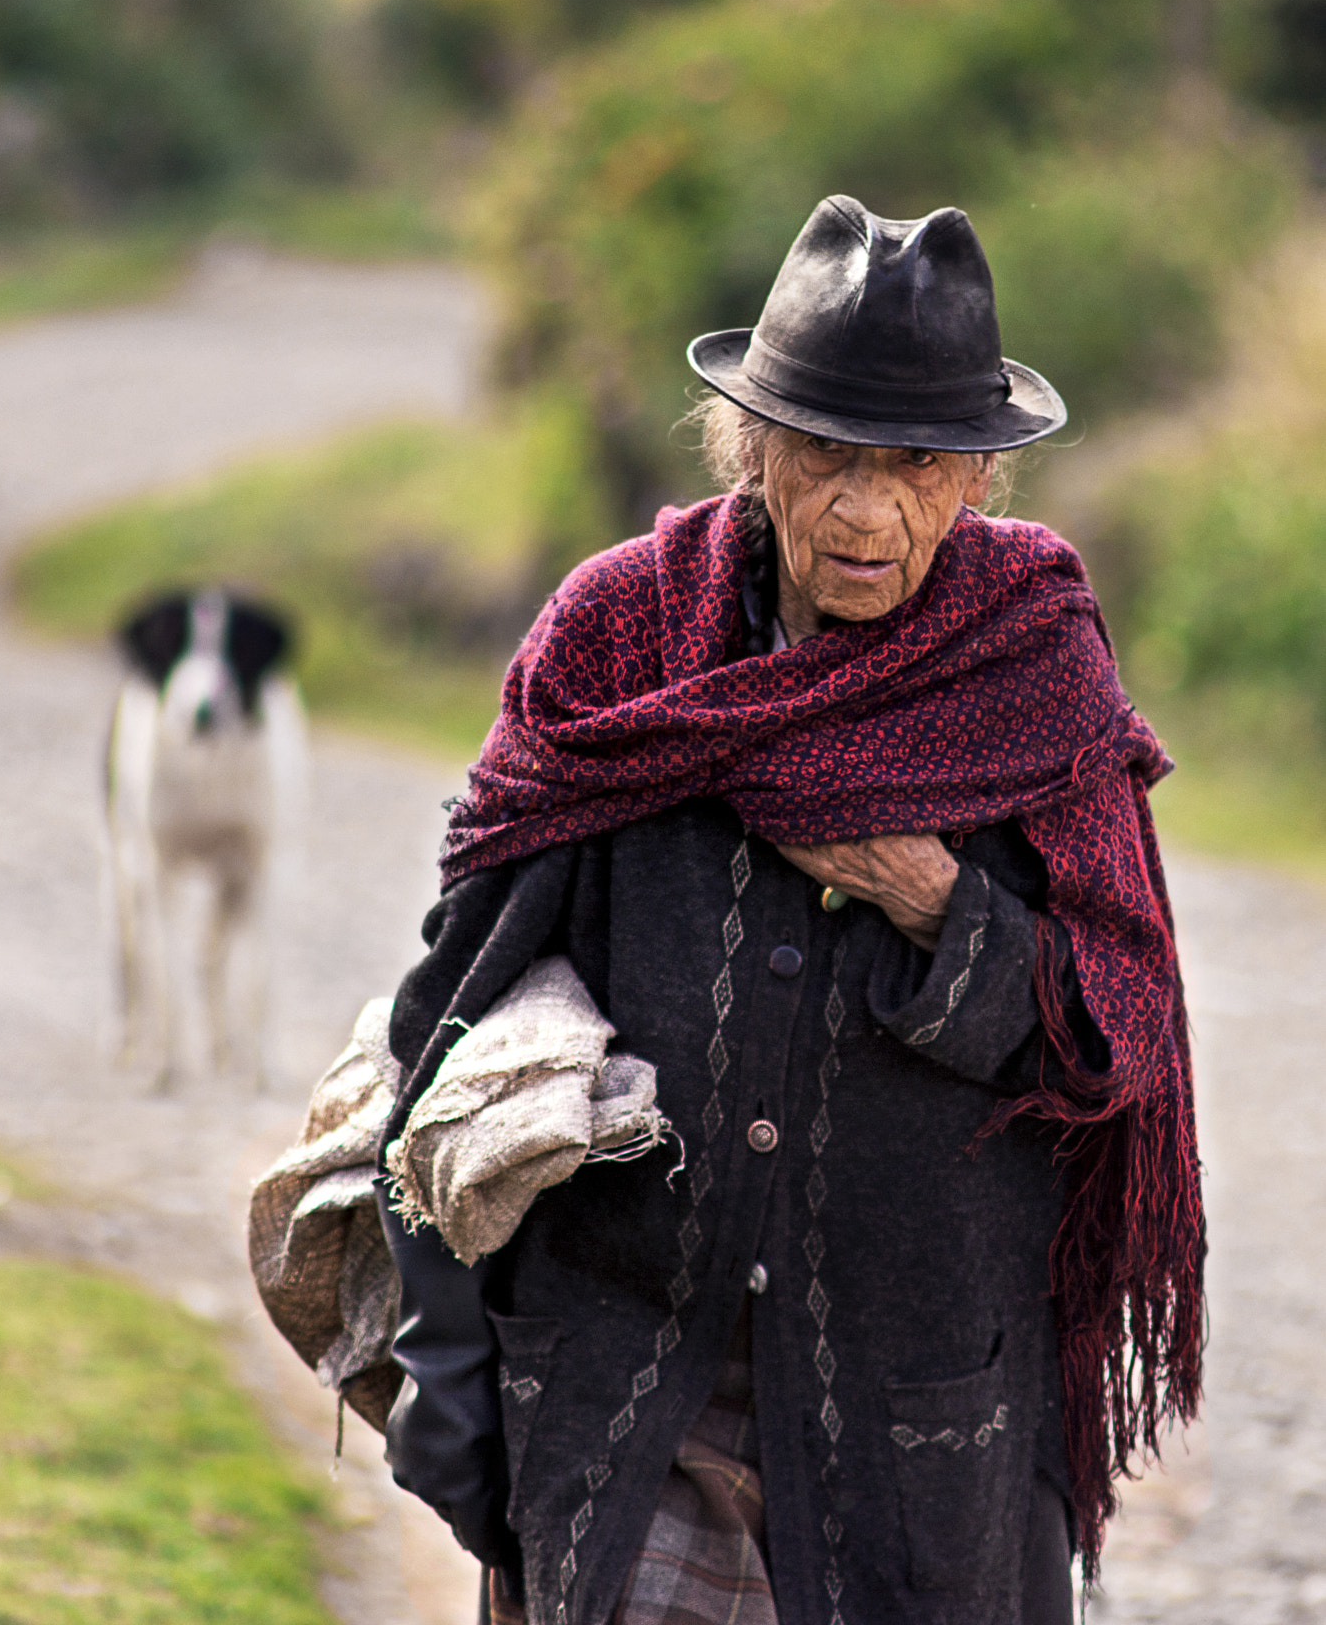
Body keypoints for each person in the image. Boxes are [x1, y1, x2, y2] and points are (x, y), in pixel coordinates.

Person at [377, 196, 1204, 1625]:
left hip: (918, 1429)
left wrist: (938, 904)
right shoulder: (621, 635)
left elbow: (1109, 1035)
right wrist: (448, 1366)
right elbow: (458, 1009)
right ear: (750, 448)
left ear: (976, 484)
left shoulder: (1033, 668)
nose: (868, 509)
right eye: (826, 454)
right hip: (636, 1391)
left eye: (915, 465)